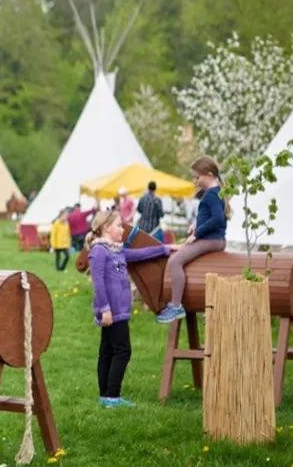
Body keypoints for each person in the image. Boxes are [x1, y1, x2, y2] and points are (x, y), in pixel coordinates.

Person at [87, 210, 173, 408]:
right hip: (112, 312)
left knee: (108, 351)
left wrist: (165, 249)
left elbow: (141, 254)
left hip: (118, 311)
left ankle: (106, 396)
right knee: (123, 351)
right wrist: (105, 309)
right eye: (119, 225)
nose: (122, 229)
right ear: (107, 228)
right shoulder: (100, 251)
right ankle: (112, 396)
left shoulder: (117, 250)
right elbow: (98, 283)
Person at [156, 156, 229, 323]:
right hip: (214, 238)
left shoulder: (211, 194)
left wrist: (197, 234)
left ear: (209, 175)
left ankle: (175, 306)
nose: (195, 180)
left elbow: (218, 219)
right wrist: (196, 225)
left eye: (197, 177)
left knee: (175, 261)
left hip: (211, 239)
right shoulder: (217, 191)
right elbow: (213, 216)